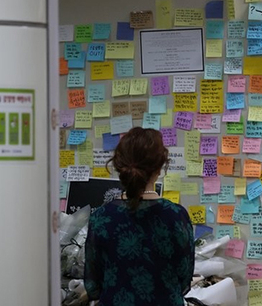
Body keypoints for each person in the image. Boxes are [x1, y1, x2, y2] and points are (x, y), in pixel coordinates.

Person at [84, 127, 195, 306]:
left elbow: (92, 285)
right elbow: (184, 278)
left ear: (120, 167)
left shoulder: (101, 218)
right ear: (159, 167)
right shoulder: (176, 216)